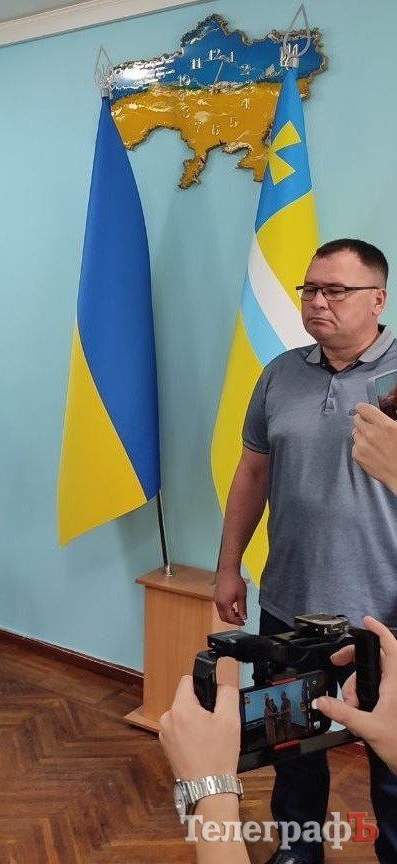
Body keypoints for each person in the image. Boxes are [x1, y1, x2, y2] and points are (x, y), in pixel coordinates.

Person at [213, 238, 397, 864]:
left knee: (393, 759)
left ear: (378, 298)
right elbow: (252, 474)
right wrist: (228, 567)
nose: (318, 301)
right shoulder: (279, 373)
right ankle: (299, 849)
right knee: (291, 744)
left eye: (335, 290)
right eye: (310, 289)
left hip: (386, 614)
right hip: (290, 607)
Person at [159, 616, 397, 864]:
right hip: (284, 610)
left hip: (378, 619)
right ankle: (299, 850)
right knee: (294, 760)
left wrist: (210, 789)